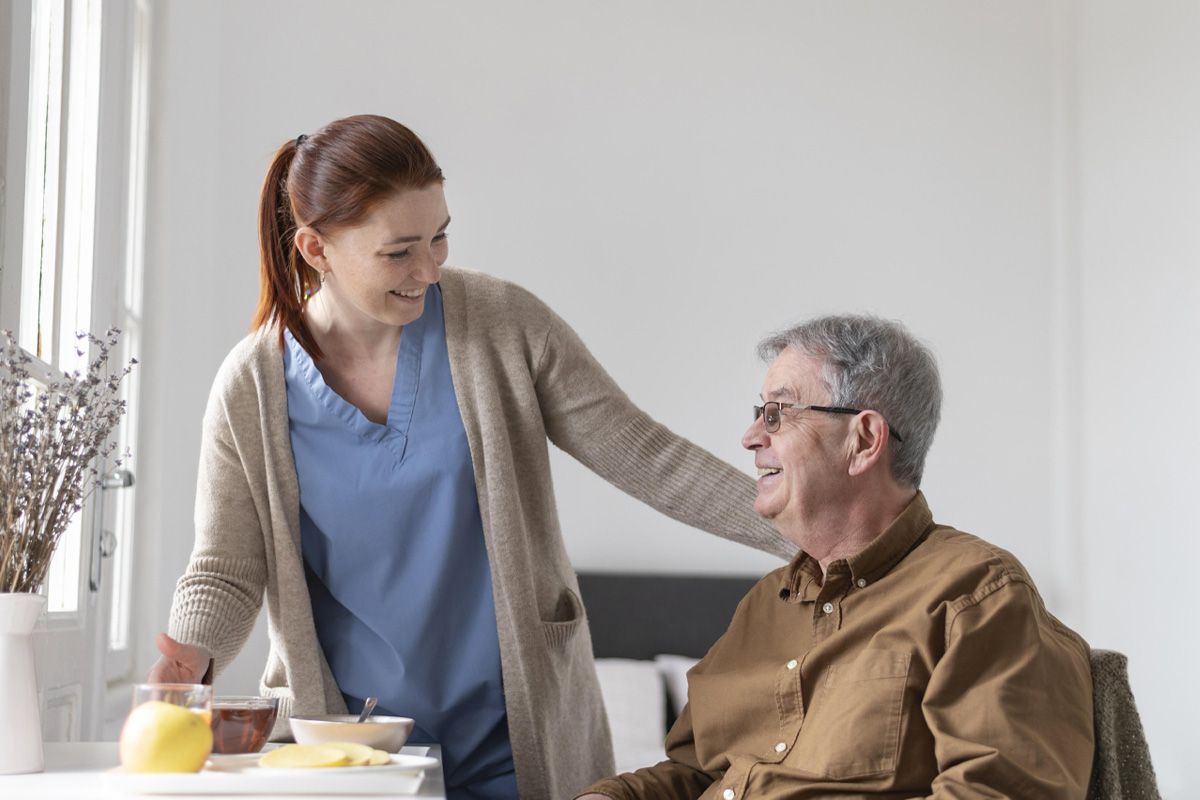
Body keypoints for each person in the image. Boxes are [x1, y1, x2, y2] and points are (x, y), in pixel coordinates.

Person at [146, 114, 793, 800]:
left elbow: (646, 456)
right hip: (351, 748)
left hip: (516, 738)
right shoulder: (252, 386)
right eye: (399, 251)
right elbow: (226, 565)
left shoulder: (503, 325)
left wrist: (806, 527)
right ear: (315, 249)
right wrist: (193, 655)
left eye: (440, 236)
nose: (429, 268)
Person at [579, 315, 1095, 799]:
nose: (751, 436)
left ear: (865, 439)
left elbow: (999, 791)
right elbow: (697, 773)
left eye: (778, 413)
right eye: (759, 413)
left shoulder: (976, 595)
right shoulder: (762, 607)